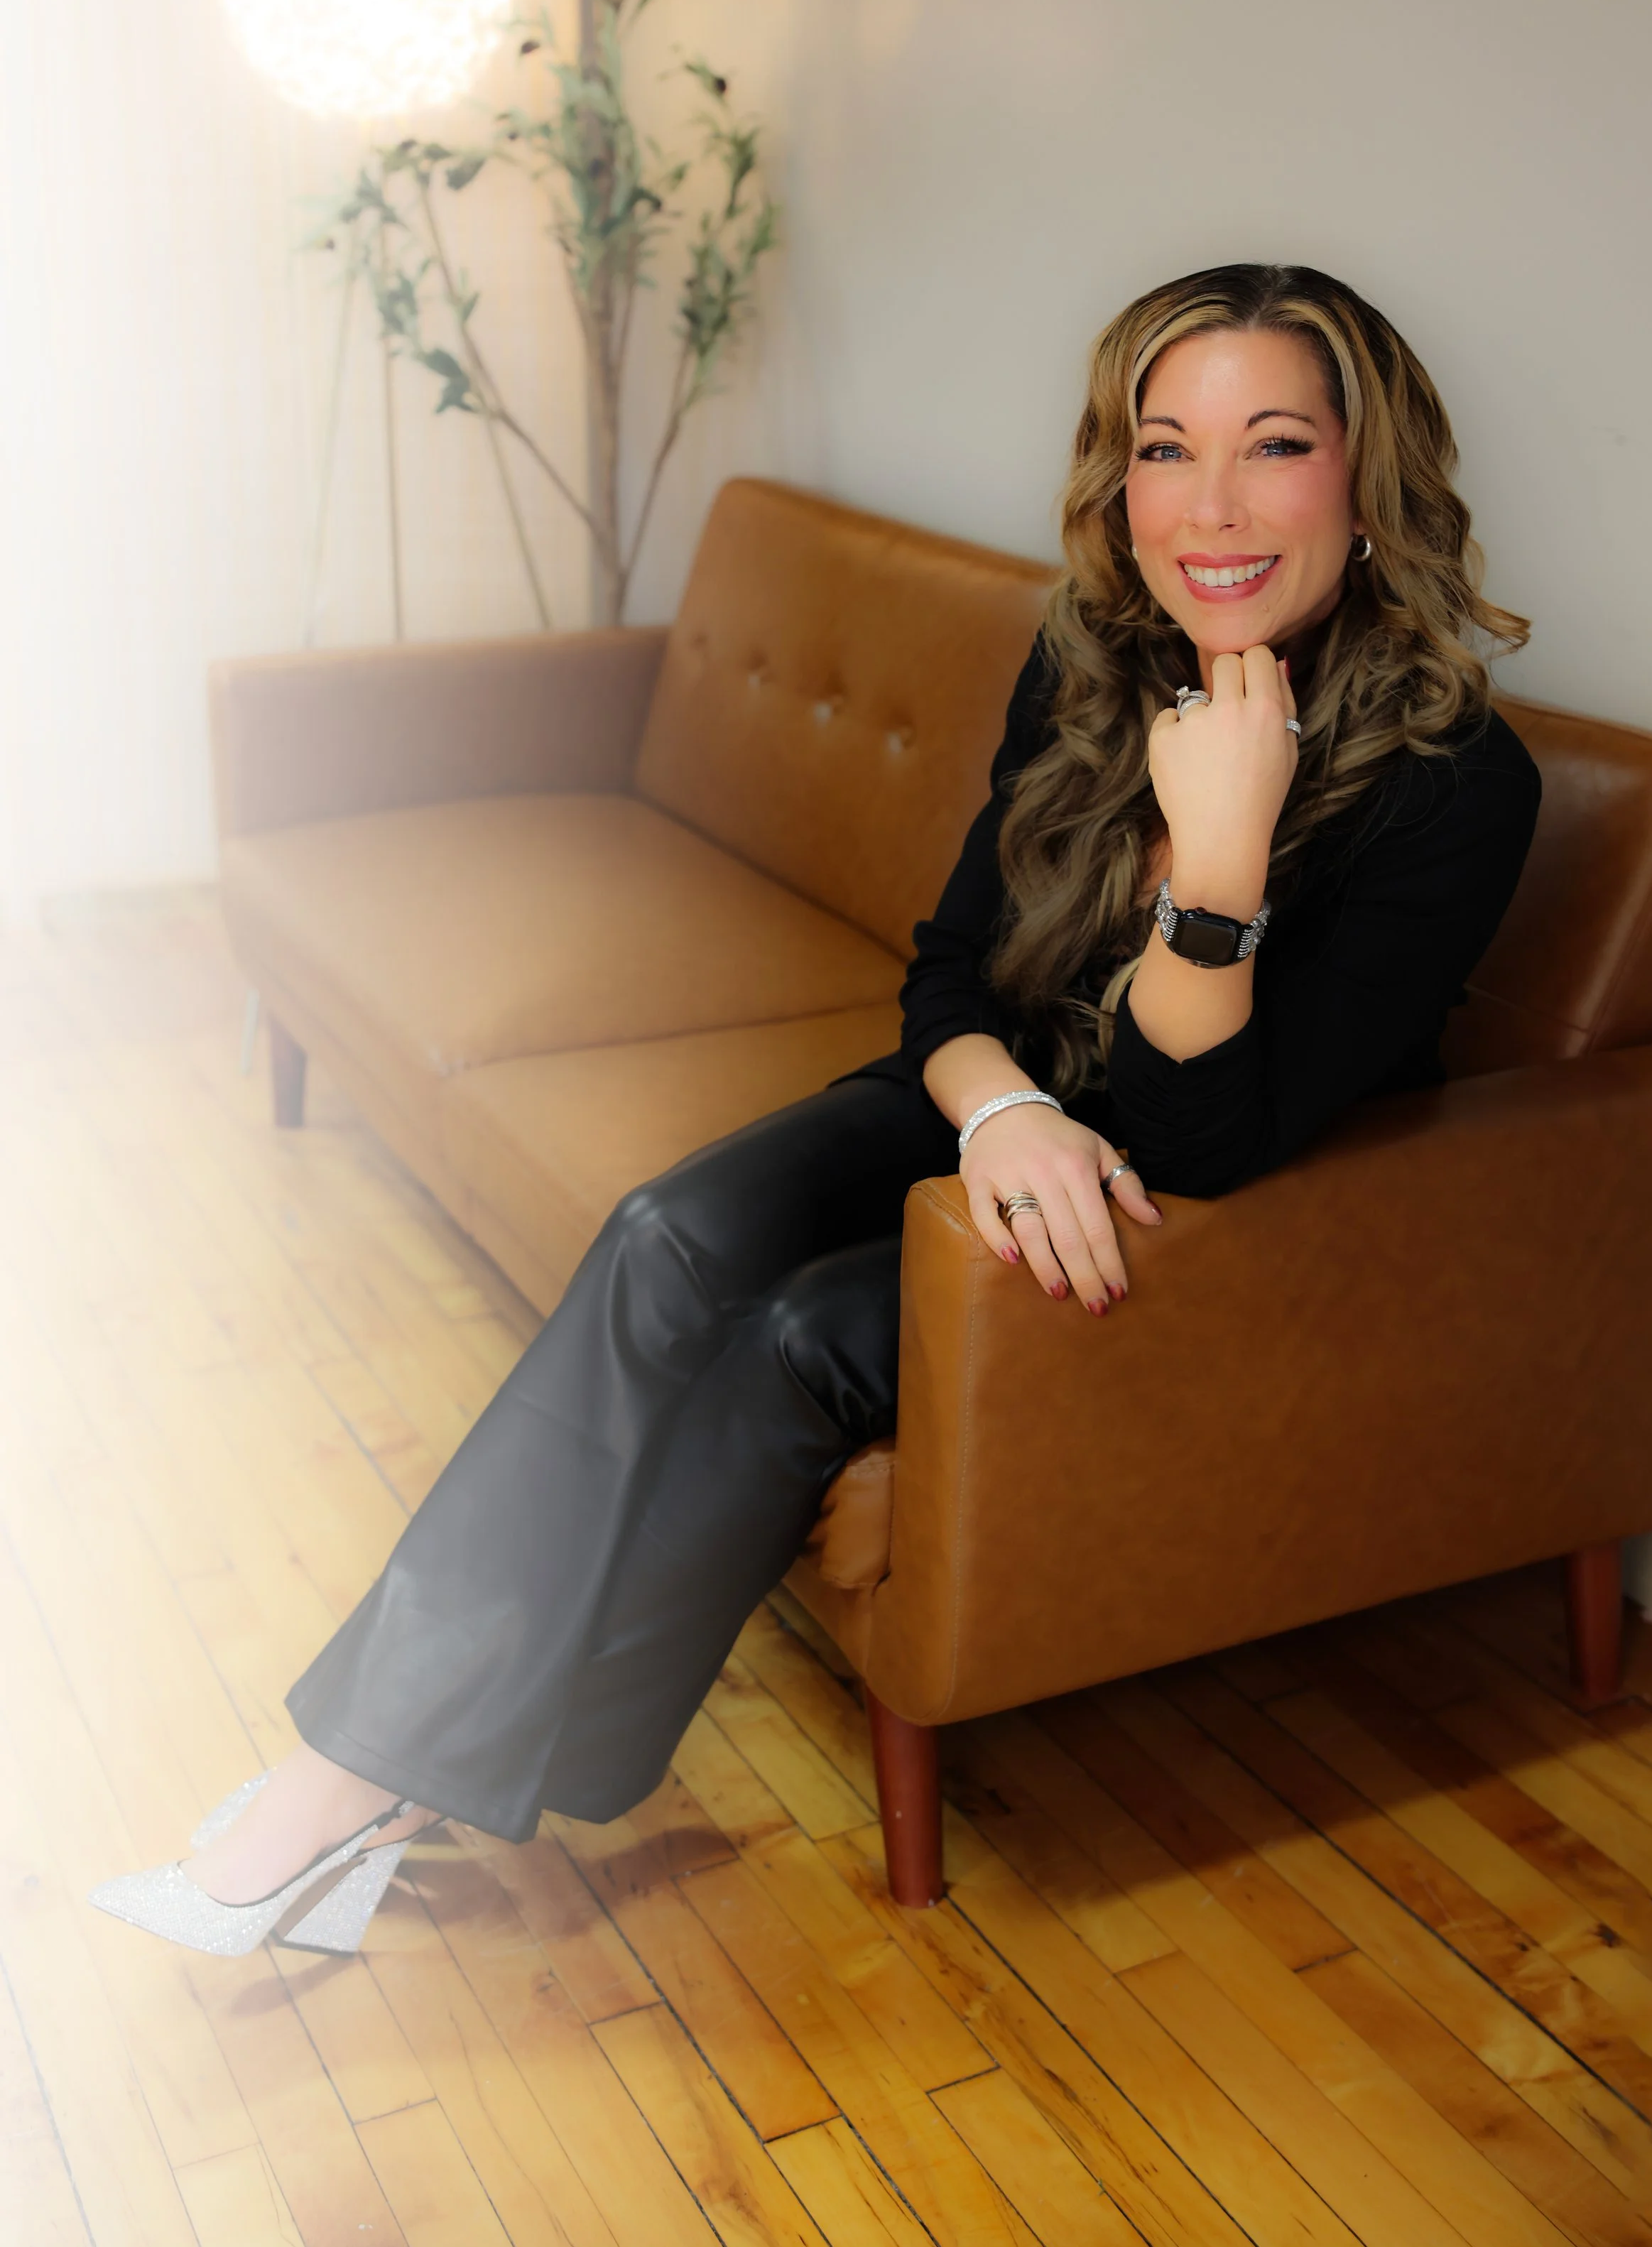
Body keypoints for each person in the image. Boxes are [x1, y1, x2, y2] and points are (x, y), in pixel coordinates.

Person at [92, 260, 1540, 1955]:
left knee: (797, 1332)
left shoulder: (1452, 783)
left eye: (1271, 445)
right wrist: (998, 1112)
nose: (1206, 506)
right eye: (1164, 449)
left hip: (1165, 1220)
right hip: (997, 1112)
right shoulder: (1088, 659)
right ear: (1118, 477)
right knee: (663, 1233)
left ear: (1363, 480)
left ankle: (372, 1786)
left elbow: (1206, 1141)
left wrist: (1215, 861)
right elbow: (943, 974)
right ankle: (374, 1770)